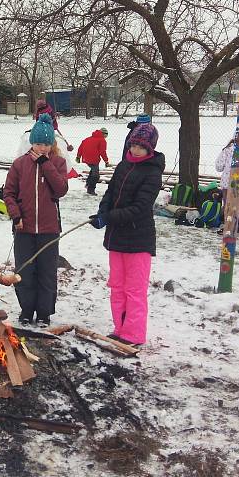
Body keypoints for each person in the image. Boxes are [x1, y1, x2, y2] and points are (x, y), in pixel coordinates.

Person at [89, 123, 164, 347]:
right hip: (117, 239)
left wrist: (109, 217)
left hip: (138, 240)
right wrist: (102, 212)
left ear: (150, 148)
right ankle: (120, 329)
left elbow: (140, 207)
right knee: (117, 286)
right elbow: (110, 193)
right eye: (134, 145)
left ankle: (134, 334)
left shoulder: (152, 172)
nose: (136, 150)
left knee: (135, 289)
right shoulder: (124, 165)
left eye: (142, 147)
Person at [3, 113, 69, 328]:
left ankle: (44, 312)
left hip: (49, 229)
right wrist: (16, 215)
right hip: (24, 228)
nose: (42, 148)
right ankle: (26, 309)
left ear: (51, 145)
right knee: (24, 272)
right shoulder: (20, 164)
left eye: (46, 144)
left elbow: (61, 189)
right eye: (38, 143)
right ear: (32, 143)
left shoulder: (57, 163)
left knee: (47, 272)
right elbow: (9, 193)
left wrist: (46, 164)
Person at [76, 128, 109, 195]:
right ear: (103, 134)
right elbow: (102, 152)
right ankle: (91, 189)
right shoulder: (102, 140)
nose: (106, 136)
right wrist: (106, 161)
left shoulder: (87, 139)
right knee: (96, 176)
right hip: (94, 159)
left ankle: (88, 184)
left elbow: (80, 147)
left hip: (86, 158)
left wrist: (78, 157)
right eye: (106, 134)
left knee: (93, 171)